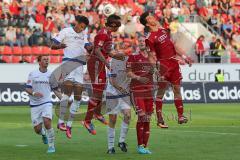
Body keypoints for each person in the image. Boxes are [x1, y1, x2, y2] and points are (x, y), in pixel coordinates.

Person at [139, 12, 193, 127]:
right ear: (147, 23)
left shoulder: (163, 30)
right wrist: (156, 68)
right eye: (150, 17)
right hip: (163, 65)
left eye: (152, 16)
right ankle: (159, 119)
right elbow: (150, 56)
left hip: (174, 63)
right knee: (161, 92)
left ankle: (181, 116)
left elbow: (173, 46)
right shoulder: (149, 38)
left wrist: (185, 57)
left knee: (177, 89)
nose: (153, 18)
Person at [82, 14, 125, 135]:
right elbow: (96, 50)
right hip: (96, 64)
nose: (118, 28)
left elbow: (107, 51)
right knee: (97, 92)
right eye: (117, 26)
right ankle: (87, 120)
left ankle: (96, 113)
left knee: (101, 91)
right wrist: (106, 63)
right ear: (112, 25)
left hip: (100, 63)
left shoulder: (108, 34)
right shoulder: (102, 33)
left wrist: (116, 56)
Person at [51, 15, 89, 139]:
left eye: (84, 28)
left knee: (78, 96)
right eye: (81, 26)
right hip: (68, 63)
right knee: (67, 93)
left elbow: (88, 46)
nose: (82, 29)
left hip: (79, 66)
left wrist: (92, 48)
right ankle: (60, 122)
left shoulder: (84, 34)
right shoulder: (66, 31)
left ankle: (69, 125)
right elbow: (53, 45)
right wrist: (59, 46)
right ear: (76, 23)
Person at [25, 55, 62, 153]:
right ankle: (43, 134)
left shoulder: (51, 75)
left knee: (47, 122)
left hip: (46, 102)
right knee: (37, 129)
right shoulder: (33, 74)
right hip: (34, 105)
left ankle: (51, 146)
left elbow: (55, 90)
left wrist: (63, 99)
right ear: (39, 62)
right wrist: (34, 93)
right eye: (44, 60)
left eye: (47, 60)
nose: (46, 61)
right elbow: (27, 88)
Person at [126, 36, 154, 154]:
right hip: (137, 91)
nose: (142, 42)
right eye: (140, 41)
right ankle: (140, 146)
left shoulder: (151, 58)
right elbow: (128, 73)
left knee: (147, 119)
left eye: (144, 41)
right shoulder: (133, 57)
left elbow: (155, 71)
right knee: (142, 116)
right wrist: (138, 77)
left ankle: (145, 146)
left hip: (149, 91)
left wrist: (154, 70)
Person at [106, 57, 131, 154]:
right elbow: (112, 81)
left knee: (128, 116)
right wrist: (121, 89)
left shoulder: (128, 62)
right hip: (112, 94)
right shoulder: (112, 64)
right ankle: (110, 147)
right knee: (113, 119)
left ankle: (121, 141)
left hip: (124, 94)